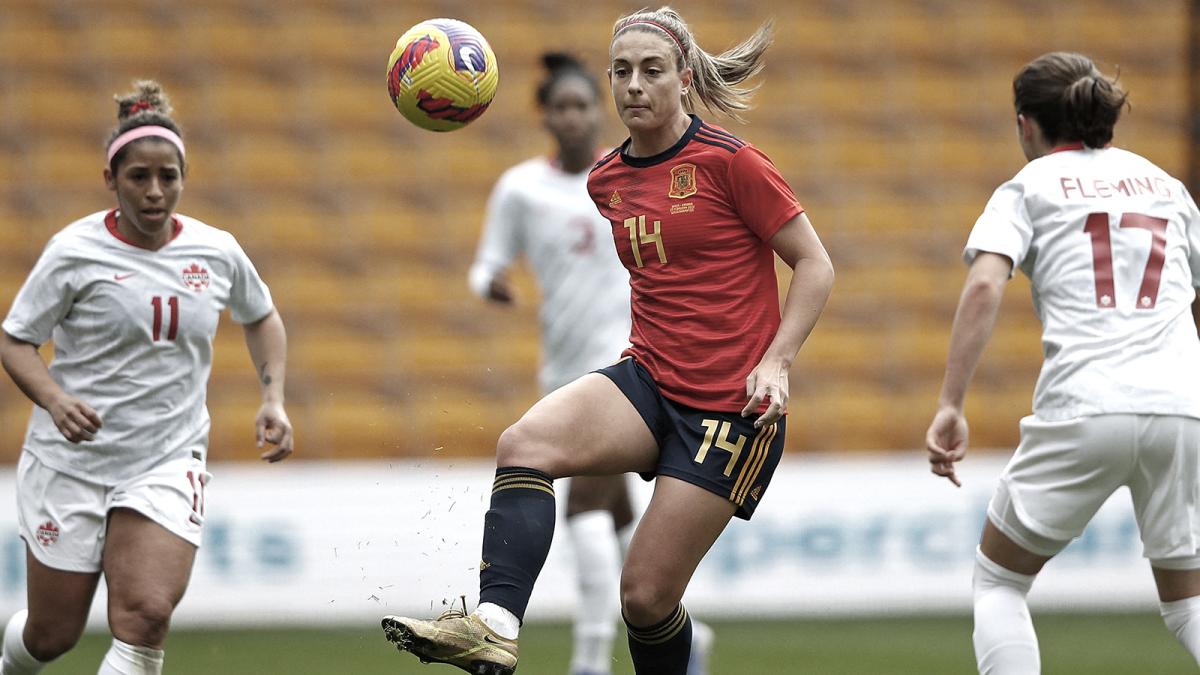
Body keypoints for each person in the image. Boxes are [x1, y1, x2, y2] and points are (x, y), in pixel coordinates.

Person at [383, 7, 833, 675]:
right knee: (523, 444)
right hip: (649, 378)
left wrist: (777, 362)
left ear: (684, 79)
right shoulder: (607, 180)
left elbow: (816, 265)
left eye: (652, 71)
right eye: (622, 71)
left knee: (645, 596)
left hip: (729, 409)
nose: (634, 86)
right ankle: (493, 627)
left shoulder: (732, 163)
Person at [0, 80, 293, 675]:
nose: (156, 191)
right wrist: (54, 401)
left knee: (146, 616)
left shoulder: (217, 251)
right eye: (139, 177)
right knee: (52, 634)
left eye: (169, 176)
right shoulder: (72, 252)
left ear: (184, 175)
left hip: (165, 456)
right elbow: (15, 340)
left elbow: (261, 315)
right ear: (112, 179)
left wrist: (273, 398)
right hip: (69, 462)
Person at [925, 51, 1200, 673]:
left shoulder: (1028, 187)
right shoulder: (1167, 188)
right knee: (1188, 604)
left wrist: (950, 403)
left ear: (1026, 124)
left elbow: (986, 285)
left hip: (1087, 403)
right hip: (1183, 407)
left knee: (999, 582)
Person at [467, 52, 712, 675]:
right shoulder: (521, 188)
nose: (573, 117)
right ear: (545, 116)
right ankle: (691, 636)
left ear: (595, 110)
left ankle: (589, 660)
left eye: (582, 105)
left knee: (582, 508)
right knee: (618, 516)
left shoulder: (627, 176)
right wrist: (490, 283)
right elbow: (485, 264)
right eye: (561, 107)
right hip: (563, 368)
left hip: (629, 365)